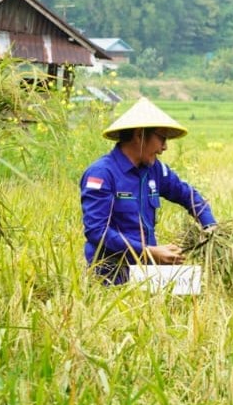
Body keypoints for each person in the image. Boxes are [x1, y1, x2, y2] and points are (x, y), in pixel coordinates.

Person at [80, 97, 216, 284]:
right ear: (139, 135)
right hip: (111, 273)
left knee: (196, 286)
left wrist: (210, 226)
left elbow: (187, 194)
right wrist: (148, 251)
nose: (164, 148)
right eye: (161, 138)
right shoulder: (102, 174)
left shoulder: (155, 170)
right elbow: (97, 231)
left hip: (148, 267)